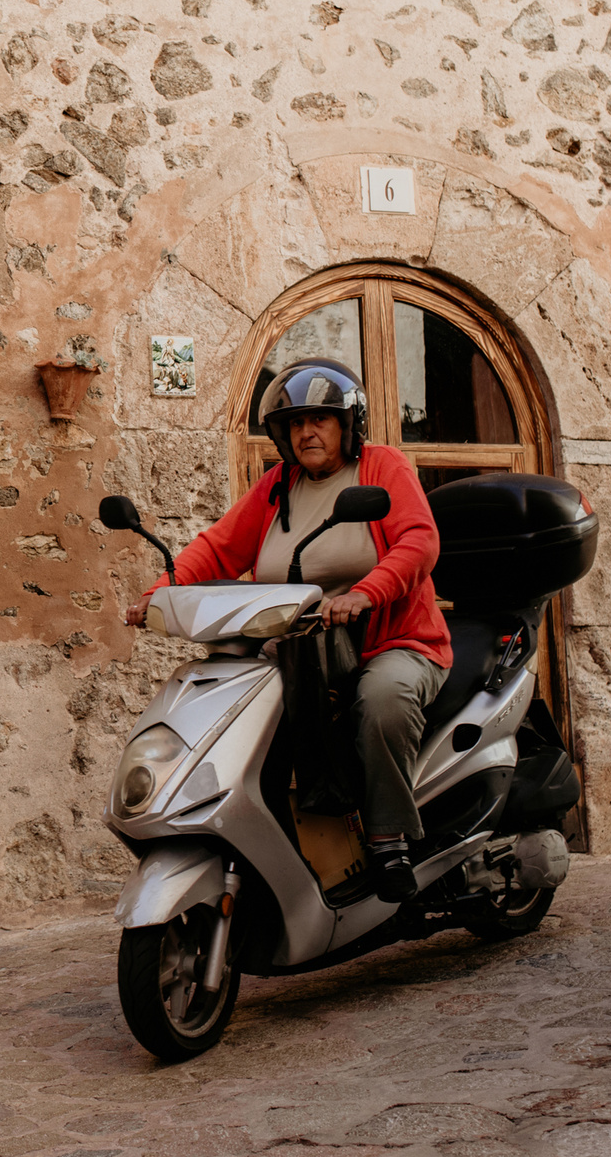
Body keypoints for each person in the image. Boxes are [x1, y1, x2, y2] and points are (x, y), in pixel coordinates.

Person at [122, 358, 451, 901]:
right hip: (299, 648)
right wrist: (161, 592)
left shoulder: (382, 467)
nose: (306, 432)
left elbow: (419, 541)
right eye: (295, 423)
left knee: (382, 699)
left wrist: (365, 593)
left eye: (320, 419)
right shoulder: (278, 486)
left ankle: (389, 838)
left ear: (349, 424)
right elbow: (219, 546)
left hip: (391, 642)